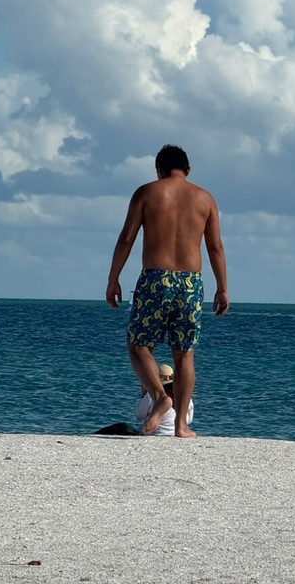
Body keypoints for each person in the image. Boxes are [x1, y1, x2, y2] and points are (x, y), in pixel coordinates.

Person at [106, 144, 229, 438]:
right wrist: (222, 288)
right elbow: (215, 247)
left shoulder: (147, 192)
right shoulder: (205, 198)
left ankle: (160, 397)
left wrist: (113, 278)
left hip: (155, 279)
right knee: (184, 354)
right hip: (190, 282)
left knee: (139, 345)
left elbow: (126, 238)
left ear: (158, 169)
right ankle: (181, 426)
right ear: (187, 170)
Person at [135, 363, 194, 437]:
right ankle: (181, 429)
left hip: (155, 434)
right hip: (174, 433)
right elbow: (188, 420)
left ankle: (160, 407)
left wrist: (144, 393)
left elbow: (139, 415)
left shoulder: (150, 395)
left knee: (122, 427)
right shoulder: (185, 397)